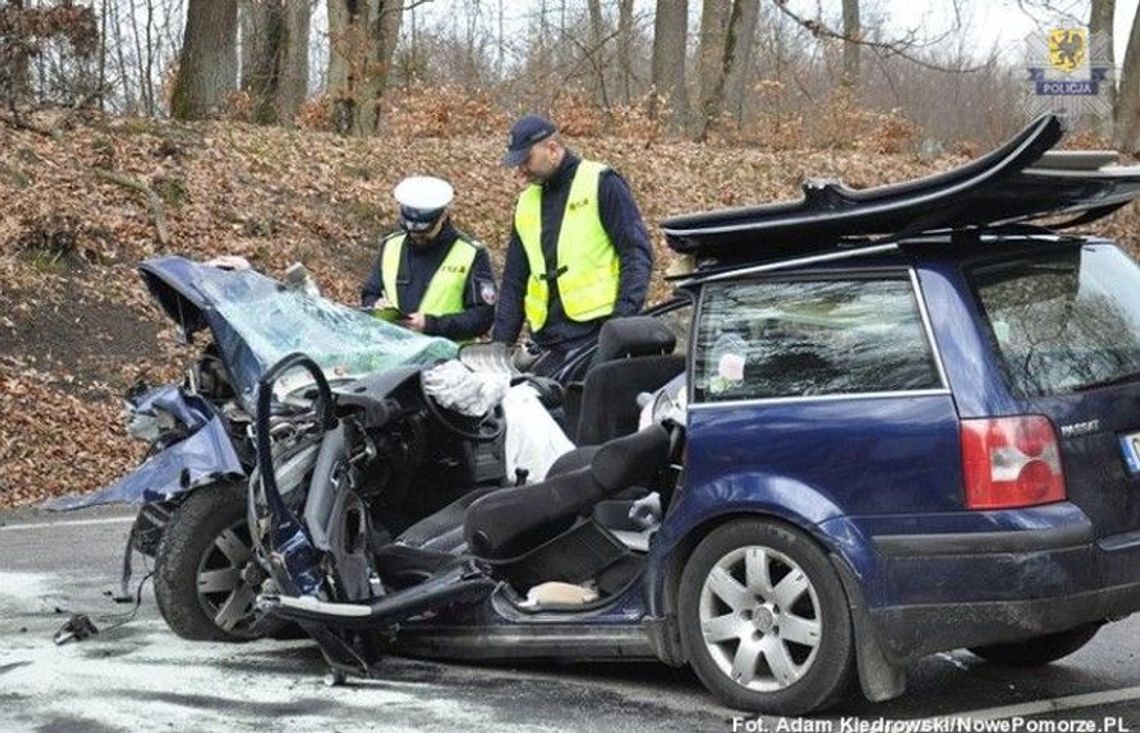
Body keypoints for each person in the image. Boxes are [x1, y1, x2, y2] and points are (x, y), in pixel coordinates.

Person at [492, 114, 653, 375]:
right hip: (546, 341)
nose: (521, 170)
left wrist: (619, 326)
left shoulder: (601, 182)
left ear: (552, 149)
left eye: (526, 160)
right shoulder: (526, 202)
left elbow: (636, 254)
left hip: (596, 337)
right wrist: (498, 349)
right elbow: (514, 281)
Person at [361, 176, 496, 342]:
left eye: (424, 232)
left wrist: (431, 325)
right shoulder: (391, 245)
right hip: (394, 349)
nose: (416, 236)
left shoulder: (471, 254)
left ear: (443, 216)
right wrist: (376, 305)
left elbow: (482, 317)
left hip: (446, 355)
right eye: (410, 231)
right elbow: (370, 293)